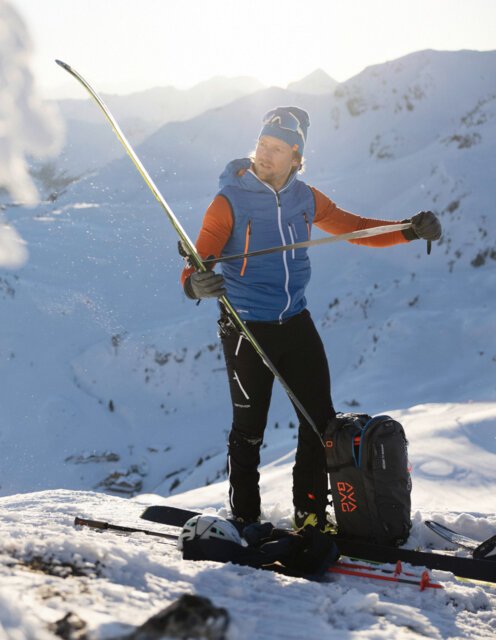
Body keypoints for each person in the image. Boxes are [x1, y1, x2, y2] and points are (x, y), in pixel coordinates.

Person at [180, 106, 441, 529]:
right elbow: (201, 256)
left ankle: (310, 516)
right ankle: (245, 519)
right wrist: (194, 283)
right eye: (263, 145)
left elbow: (356, 229)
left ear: (297, 158)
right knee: (249, 430)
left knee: (319, 423)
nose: (265, 155)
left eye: (277, 149)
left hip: (295, 322)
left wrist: (411, 229)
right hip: (246, 327)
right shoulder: (229, 200)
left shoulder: (306, 199)